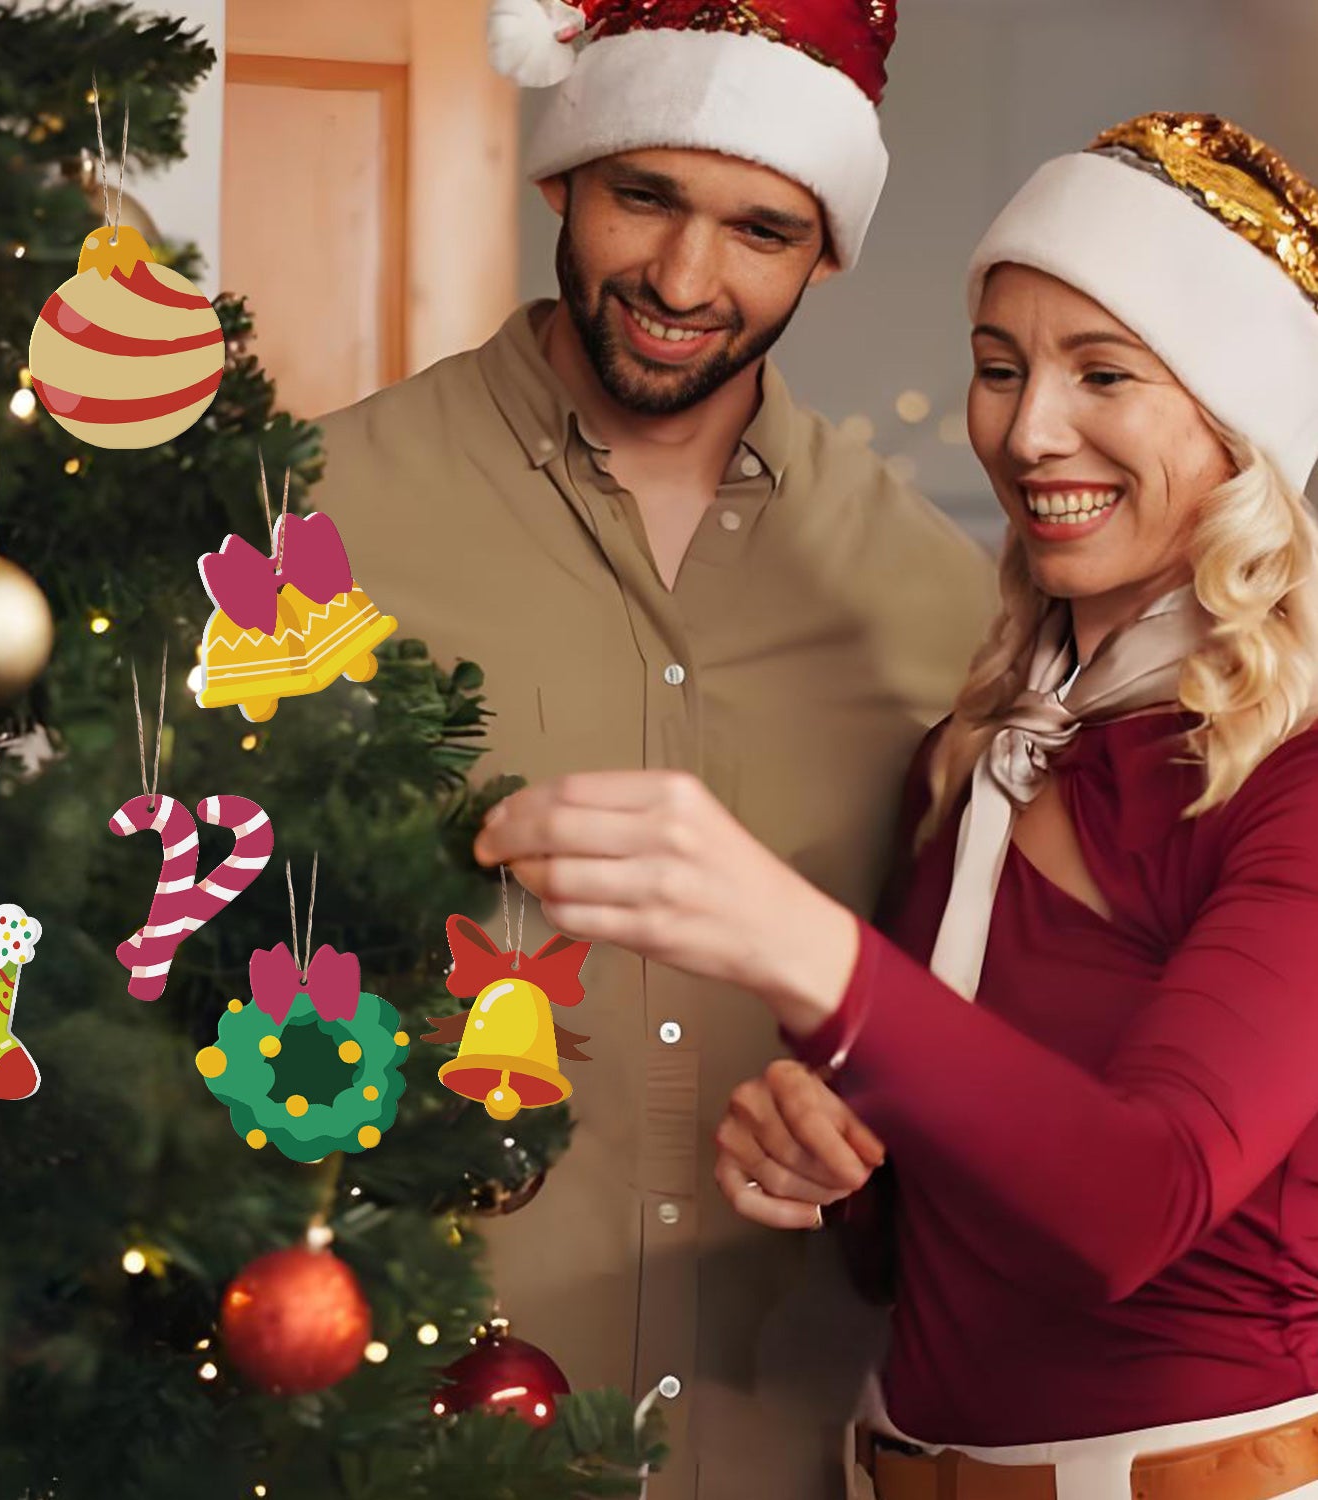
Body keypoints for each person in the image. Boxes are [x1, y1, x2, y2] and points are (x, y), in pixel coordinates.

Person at [474, 110, 1318, 1500]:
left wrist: (797, 945)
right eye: (999, 368)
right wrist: (837, 1165)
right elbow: (946, 1232)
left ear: (1239, 425)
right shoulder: (980, 755)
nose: (1027, 428)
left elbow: (1134, 1204)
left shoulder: (1289, 779)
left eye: (1103, 373)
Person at [312, 1, 994, 1494]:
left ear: (824, 250)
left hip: (796, 1435)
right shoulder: (319, 519)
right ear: (562, 177)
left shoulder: (941, 606)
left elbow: (990, 1030)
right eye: (645, 197)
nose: (687, 280)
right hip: (401, 1423)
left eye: (760, 229)